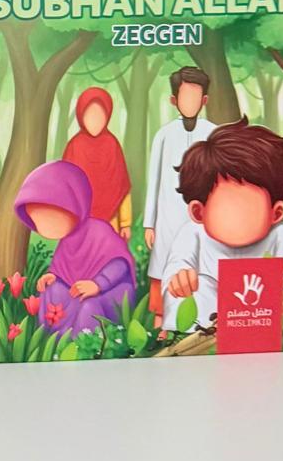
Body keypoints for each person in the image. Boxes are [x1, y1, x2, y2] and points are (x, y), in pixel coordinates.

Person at [163, 121, 283, 329]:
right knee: (193, 292)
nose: (239, 218)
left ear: (276, 213)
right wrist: (181, 276)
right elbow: (177, 265)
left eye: (249, 208)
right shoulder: (192, 233)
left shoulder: (279, 233)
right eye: (227, 208)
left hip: (257, 314)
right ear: (199, 212)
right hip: (208, 316)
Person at [14, 159, 136, 336]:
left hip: (109, 291)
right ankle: (53, 338)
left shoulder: (100, 231)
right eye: (37, 219)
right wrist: (52, 276)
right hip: (78, 289)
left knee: (89, 306)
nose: (44, 226)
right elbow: (62, 268)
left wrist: (97, 284)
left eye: (52, 216)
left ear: (75, 204)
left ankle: (86, 343)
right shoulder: (68, 239)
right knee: (52, 291)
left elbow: (120, 264)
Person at [144, 66, 217, 318]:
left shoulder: (213, 133)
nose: (190, 102)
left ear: (204, 100)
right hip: (167, 217)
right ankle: (161, 322)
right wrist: (149, 223)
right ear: (173, 100)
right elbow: (154, 179)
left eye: (195, 97)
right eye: (185, 96)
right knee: (162, 267)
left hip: (201, 217)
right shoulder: (163, 135)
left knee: (200, 268)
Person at [63, 86, 132, 237]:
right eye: (89, 115)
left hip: (111, 221)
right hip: (80, 221)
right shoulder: (74, 146)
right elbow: (65, 188)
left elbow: (122, 187)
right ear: (81, 115)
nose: (95, 120)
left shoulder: (112, 145)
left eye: (100, 115)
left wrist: (125, 223)